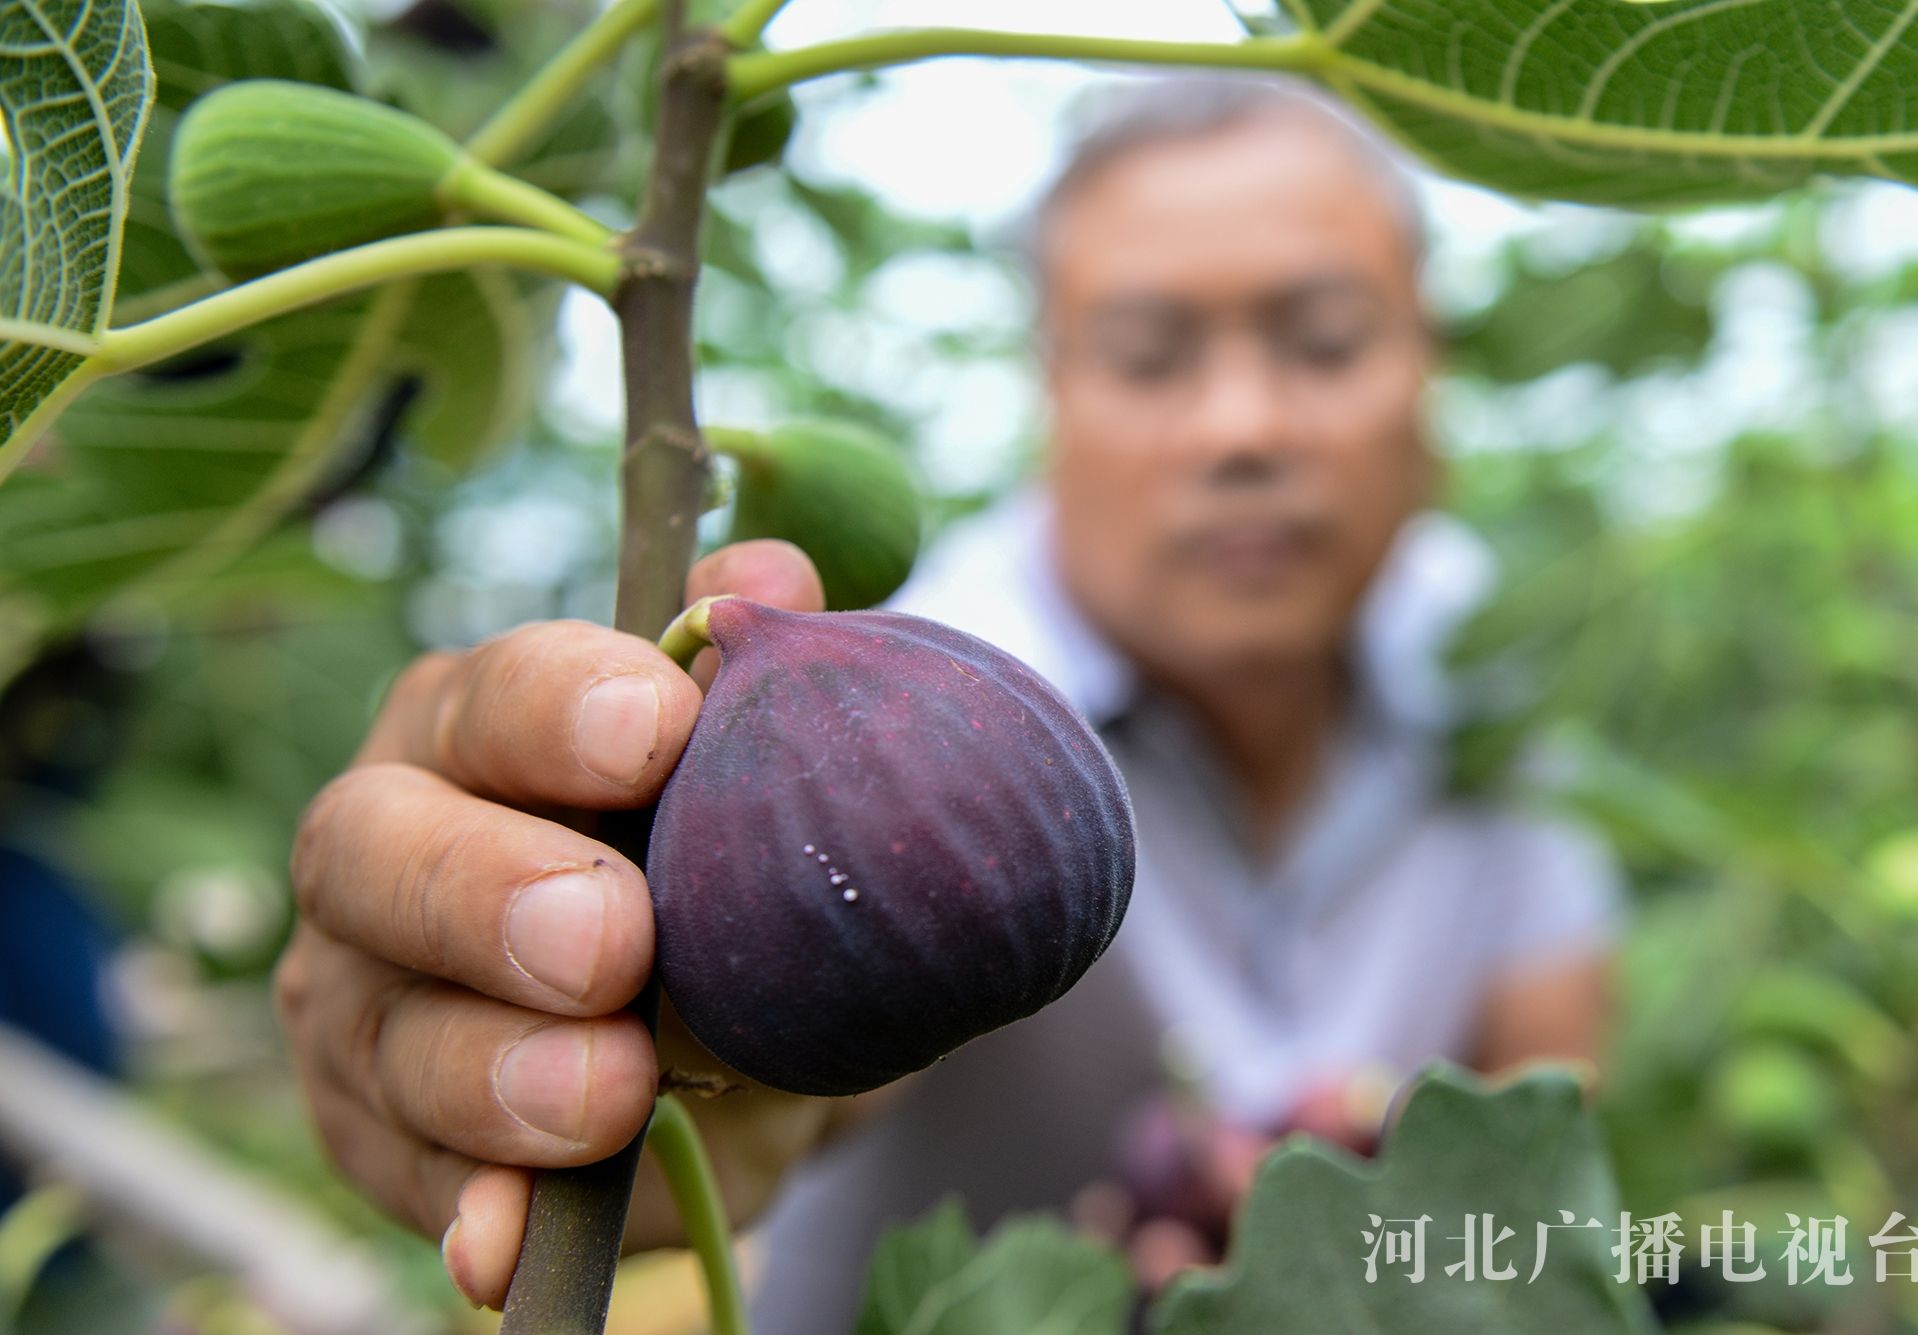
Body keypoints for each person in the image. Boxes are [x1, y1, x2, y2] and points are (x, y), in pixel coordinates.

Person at [276, 76, 1622, 1325]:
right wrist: (667, 1049)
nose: (1243, 429)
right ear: (1051, 387)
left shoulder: (1486, 659)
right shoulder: (938, 701)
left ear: (1426, 366)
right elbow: (864, 963)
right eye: (1151, 356)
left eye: (1323, 343)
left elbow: (1544, 1103)